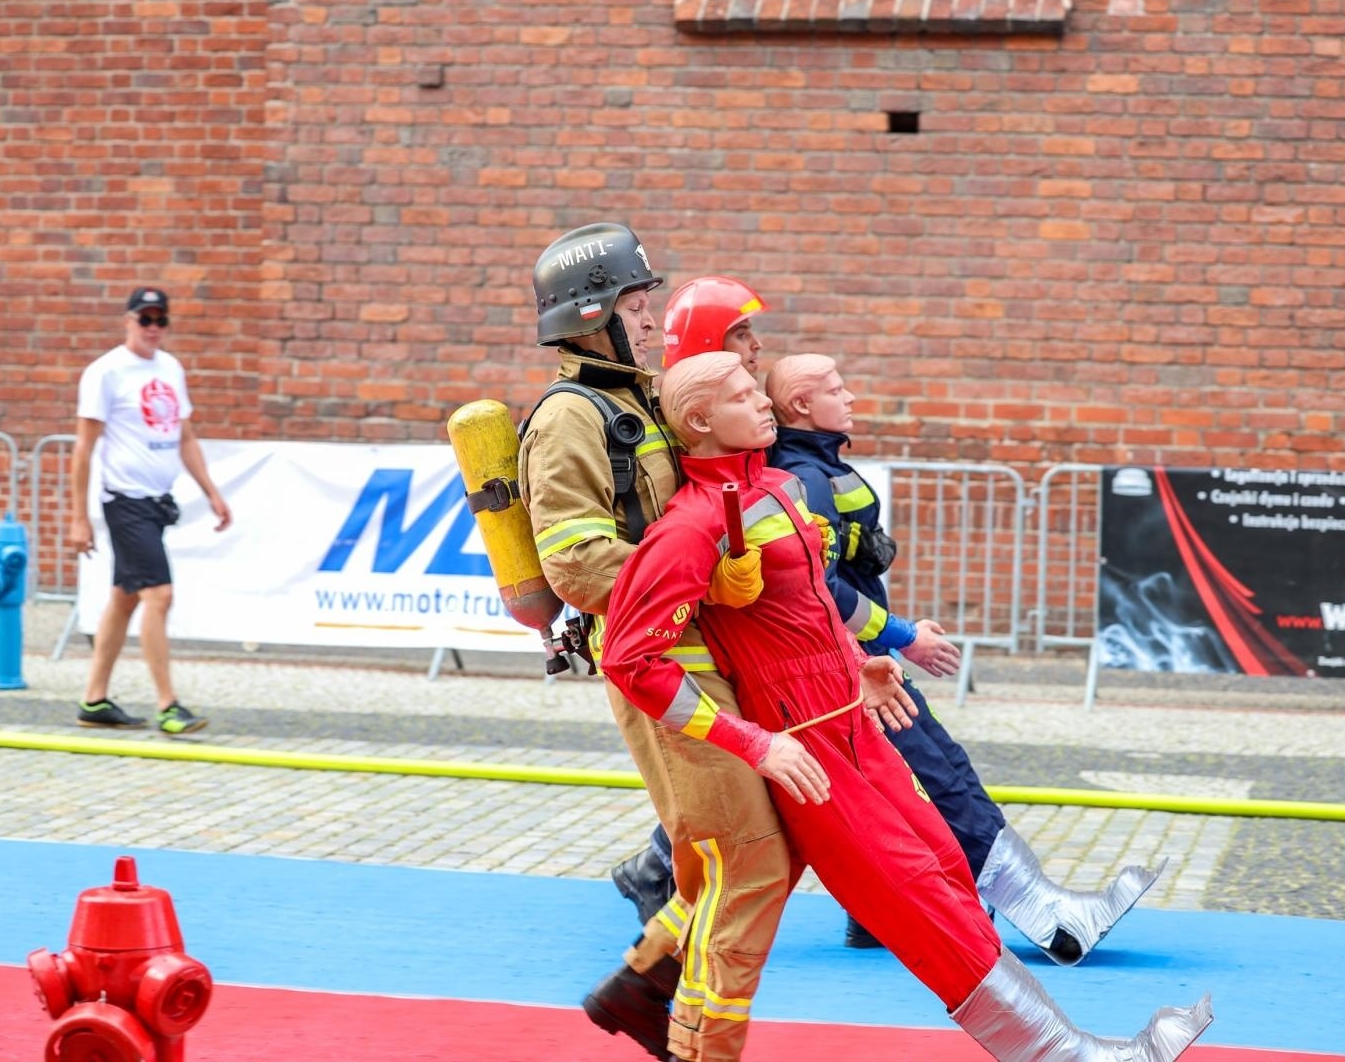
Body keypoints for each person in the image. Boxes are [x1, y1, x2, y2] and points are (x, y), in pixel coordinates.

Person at [600, 351, 1213, 1060]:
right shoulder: (692, 524)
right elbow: (630, 660)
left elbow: (808, 610)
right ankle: (1069, 1053)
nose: (763, 400)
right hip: (808, 749)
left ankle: (639, 988)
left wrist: (862, 665)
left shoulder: (776, 487)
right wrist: (755, 743)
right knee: (920, 904)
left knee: (950, 874)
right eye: (743, 395)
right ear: (700, 420)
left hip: (851, 725)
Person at [766, 351, 1162, 963]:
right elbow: (817, 586)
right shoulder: (807, 478)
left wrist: (896, 631)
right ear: (800, 405)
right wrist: (901, 636)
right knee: (937, 772)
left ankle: (874, 915)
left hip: (854, 659)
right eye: (837, 389)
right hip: (854, 667)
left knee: (900, 783)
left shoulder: (814, 469)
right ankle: (1049, 914)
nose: (851, 398)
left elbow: (843, 576)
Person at [517, 226, 794, 1062]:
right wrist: (699, 578)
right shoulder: (570, 417)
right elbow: (573, 560)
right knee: (752, 863)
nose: (652, 321)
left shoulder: (636, 400)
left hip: (700, 657)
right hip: (656, 665)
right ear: (592, 314)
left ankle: (642, 989)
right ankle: (701, 1045)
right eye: (638, 307)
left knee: (727, 861)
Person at [68, 287, 232, 735]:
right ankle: (168, 705)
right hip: (125, 501)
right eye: (146, 319)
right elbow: (84, 449)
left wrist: (212, 492)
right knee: (159, 596)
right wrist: (79, 517)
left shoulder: (171, 368)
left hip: (157, 502)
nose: (154, 328)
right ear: (129, 321)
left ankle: (94, 700)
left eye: (161, 320)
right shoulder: (105, 372)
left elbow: (185, 437)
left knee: (125, 598)